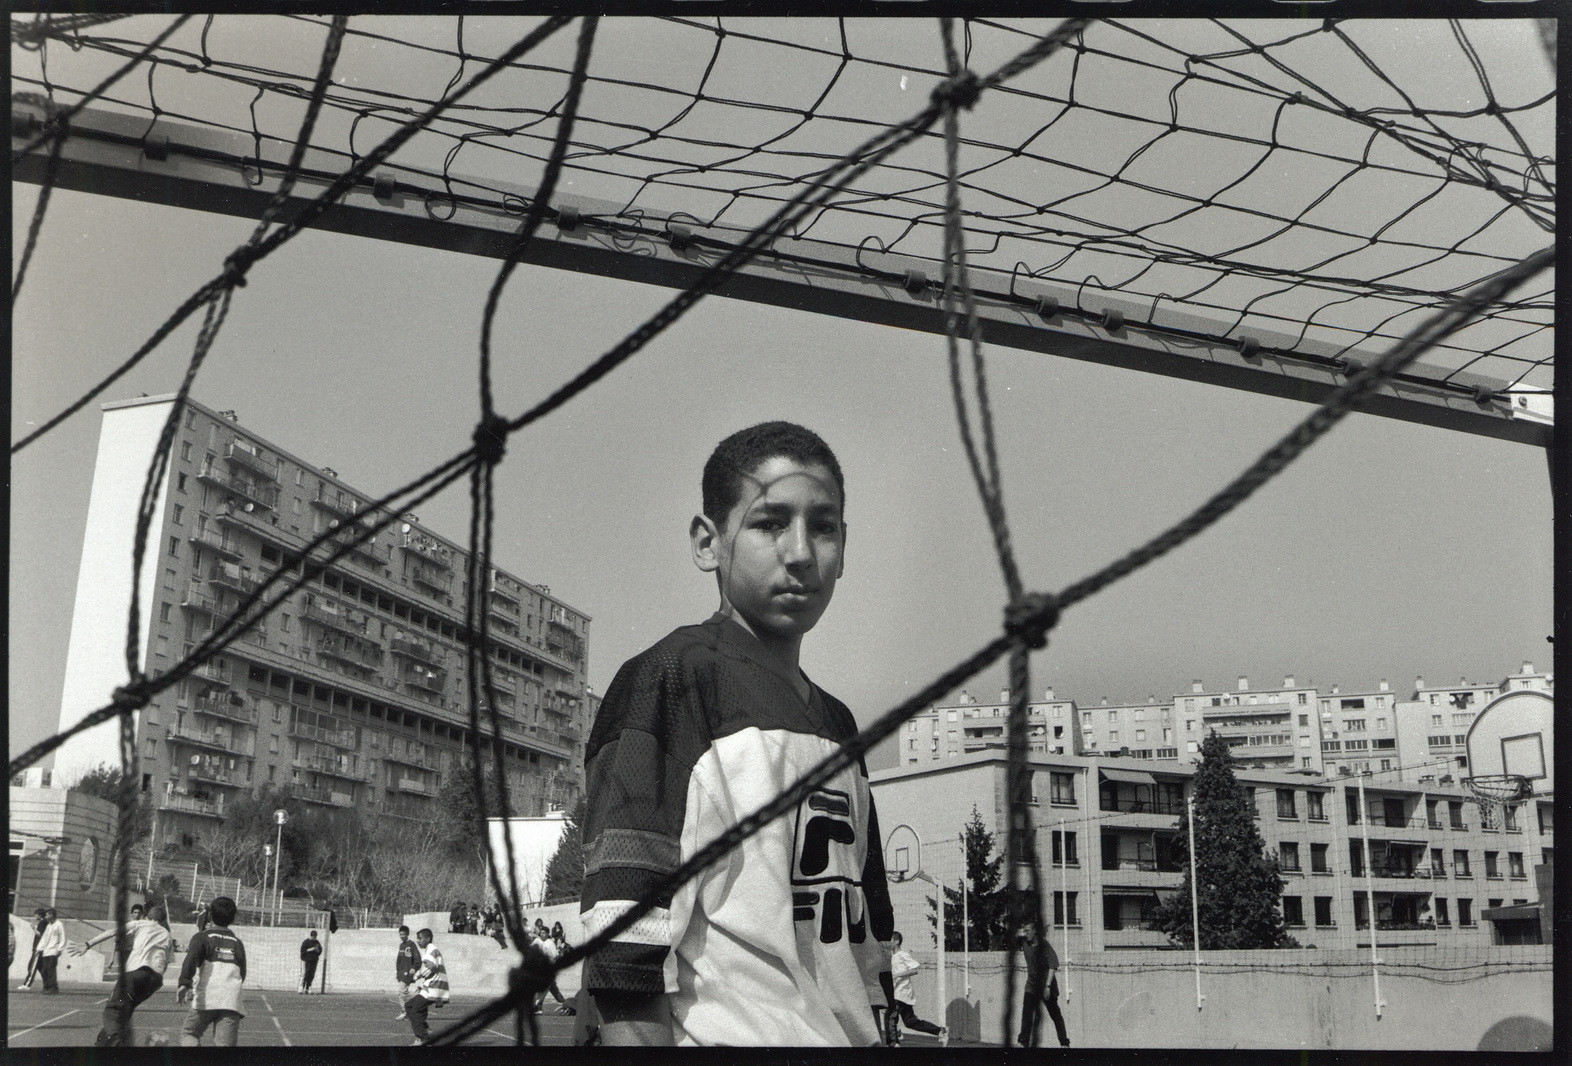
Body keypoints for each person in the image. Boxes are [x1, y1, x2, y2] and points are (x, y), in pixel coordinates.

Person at [580, 422, 895, 1046]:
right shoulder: (670, 681)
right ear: (708, 541)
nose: (801, 551)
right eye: (769, 522)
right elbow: (624, 956)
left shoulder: (839, 725)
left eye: (823, 526)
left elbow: (867, 938)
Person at [73, 905, 173, 1046]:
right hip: (155, 980)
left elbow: (113, 932)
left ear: (148, 917)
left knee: (112, 1011)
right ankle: (102, 1044)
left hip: (135, 974)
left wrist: (88, 944)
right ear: (162, 921)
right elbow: (166, 963)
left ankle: (118, 1044)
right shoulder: (167, 934)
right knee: (123, 1014)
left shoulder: (140, 923)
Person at [177, 896, 247, 1047]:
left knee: (189, 1034)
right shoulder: (237, 943)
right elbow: (242, 973)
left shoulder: (202, 937)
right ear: (233, 918)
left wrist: (184, 983)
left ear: (210, 915)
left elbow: (190, 960)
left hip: (208, 997)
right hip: (231, 1000)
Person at [886, 931, 945, 1045]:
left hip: (902, 992)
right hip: (899, 993)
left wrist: (898, 975)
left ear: (896, 941)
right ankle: (940, 1031)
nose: (888, 943)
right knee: (910, 1022)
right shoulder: (892, 956)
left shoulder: (903, 955)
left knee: (891, 1017)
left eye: (890, 941)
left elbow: (915, 969)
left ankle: (894, 1044)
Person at [1018, 923, 1070, 1048]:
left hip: (1046, 985)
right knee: (1027, 1014)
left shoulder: (1044, 945)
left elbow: (1053, 966)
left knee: (1055, 1014)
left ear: (1035, 931)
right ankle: (1023, 1042)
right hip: (1031, 986)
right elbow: (1014, 935)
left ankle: (1064, 1043)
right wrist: (1021, 931)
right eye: (1024, 931)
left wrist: (1047, 987)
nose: (1026, 934)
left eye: (1028, 931)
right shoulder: (1025, 944)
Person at [403, 928, 450, 1046]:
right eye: (417, 938)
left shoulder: (431, 950)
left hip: (434, 986)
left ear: (428, 938)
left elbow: (430, 966)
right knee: (409, 1005)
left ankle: (423, 1038)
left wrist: (416, 976)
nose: (418, 941)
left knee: (415, 1010)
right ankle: (426, 1030)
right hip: (430, 985)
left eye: (420, 938)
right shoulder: (431, 950)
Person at [525, 923, 571, 1015]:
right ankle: (565, 1005)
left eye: (544, 933)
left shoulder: (550, 944)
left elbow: (555, 957)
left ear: (547, 934)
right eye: (541, 932)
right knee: (552, 988)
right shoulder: (537, 941)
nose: (542, 934)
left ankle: (537, 1006)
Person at [35, 908, 65, 994]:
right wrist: (39, 948)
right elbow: (44, 938)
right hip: (46, 951)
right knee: (44, 970)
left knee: (51, 969)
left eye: (48, 915)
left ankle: (54, 988)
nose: (46, 916)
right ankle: (46, 986)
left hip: (54, 950)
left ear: (52, 915)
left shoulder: (59, 924)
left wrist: (60, 949)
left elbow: (62, 937)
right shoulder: (49, 926)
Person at [394, 925, 420, 1021]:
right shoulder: (401, 945)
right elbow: (399, 960)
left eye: (403, 934)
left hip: (407, 973)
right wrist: (398, 972)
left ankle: (406, 1012)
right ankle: (408, 1010)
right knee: (403, 993)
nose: (402, 936)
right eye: (400, 934)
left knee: (402, 992)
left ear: (407, 934)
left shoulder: (411, 945)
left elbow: (418, 959)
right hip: (401, 973)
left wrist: (413, 968)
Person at [18, 908, 48, 990]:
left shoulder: (43, 922)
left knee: (31, 966)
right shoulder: (44, 922)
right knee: (40, 967)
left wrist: (33, 928)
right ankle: (49, 984)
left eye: (36, 914)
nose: (35, 916)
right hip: (39, 948)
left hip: (38, 948)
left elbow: (40, 934)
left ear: (39, 915)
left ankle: (27, 985)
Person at [299, 929, 323, 994]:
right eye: (313, 937)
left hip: (314, 960)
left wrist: (317, 950)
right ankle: (301, 987)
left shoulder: (317, 942)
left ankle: (308, 987)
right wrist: (311, 949)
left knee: (311, 974)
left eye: (315, 937)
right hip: (305, 960)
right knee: (304, 974)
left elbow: (320, 950)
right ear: (311, 936)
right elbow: (302, 951)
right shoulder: (306, 942)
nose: (314, 938)